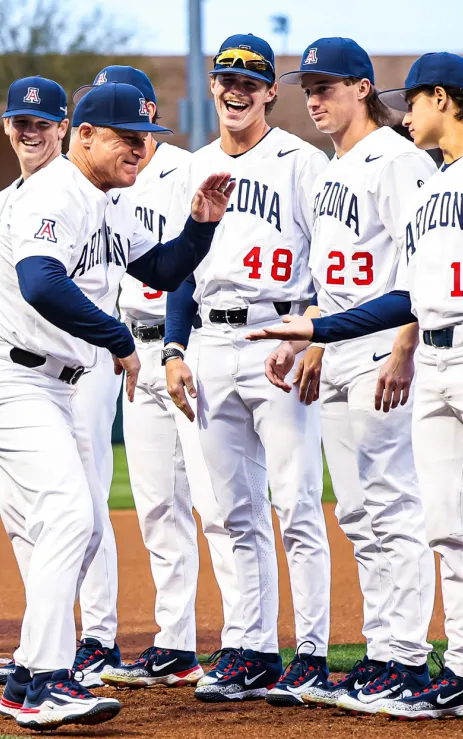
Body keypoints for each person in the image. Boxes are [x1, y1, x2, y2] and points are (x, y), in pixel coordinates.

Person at [243, 52, 463, 727]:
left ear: (444, 99)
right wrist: (319, 328)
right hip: (439, 359)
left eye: (414, 102)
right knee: (447, 525)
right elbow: (405, 297)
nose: (406, 114)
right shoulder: (433, 184)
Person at [0, 81, 233, 730]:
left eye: (147, 137)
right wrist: (116, 336)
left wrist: (200, 225)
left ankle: (31, 673)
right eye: (126, 137)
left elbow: (165, 270)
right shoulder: (57, 189)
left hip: (51, 384)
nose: (141, 147)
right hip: (10, 378)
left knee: (76, 525)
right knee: (67, 513)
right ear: (83, 135)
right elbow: (40, 281)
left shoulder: (110, 200)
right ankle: (45, 680)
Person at [264, 37, 437, 710]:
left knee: (393, 504)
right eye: (308, 86)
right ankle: (382, 650)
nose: (315, 98)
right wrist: (310, 341)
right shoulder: (333, 168)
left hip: (379, 351)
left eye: (328, 85)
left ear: (364, 87)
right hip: (336, 351)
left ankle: (409, 660)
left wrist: (404, 347)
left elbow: (421, 263)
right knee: (361, 513)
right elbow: (327, 278)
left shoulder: (396, 160)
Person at [162, 33, 332, 703]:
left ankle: (312, 651)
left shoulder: (302, 163)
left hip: (278, 337)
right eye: (225, 75)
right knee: (233, 511)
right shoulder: (192, 168)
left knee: (294, 504)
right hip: (209, 342)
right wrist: (174, 350)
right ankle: (250, 646)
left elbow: (330, 255)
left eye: (250, 78)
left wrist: (315, 334)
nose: (235, 87)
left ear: (270, 92)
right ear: (212, 87)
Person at [76, 65, 241, 690]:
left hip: (184, 344)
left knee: (215, 503)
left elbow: (190, 269)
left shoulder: (183, 167)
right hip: (132, 352)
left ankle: (241, 640)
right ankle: (175, 642)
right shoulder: (99, 181)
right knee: (157, 508)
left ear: (146, 109)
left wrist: (173, 347)